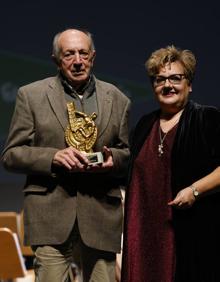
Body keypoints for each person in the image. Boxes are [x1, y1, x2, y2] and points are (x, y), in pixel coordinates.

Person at [1, 28, 131, 282]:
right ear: (56, 59)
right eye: (69, 54)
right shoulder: (31, 95)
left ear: (93, 57)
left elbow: (126, 154)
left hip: (100, 212)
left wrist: (112, 159)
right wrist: (53, 157)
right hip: (50, 212)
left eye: (83, 53)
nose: (77, 60)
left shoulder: (117, 98)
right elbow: (11, 155)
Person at [121, 45, 220, 282]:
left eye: (176, 78)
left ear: (190, 84)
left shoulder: (207, 118)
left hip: (189, 233)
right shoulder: (144, 125)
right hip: (143, 232)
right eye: (159, 80)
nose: (168, 85)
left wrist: (195, 190)